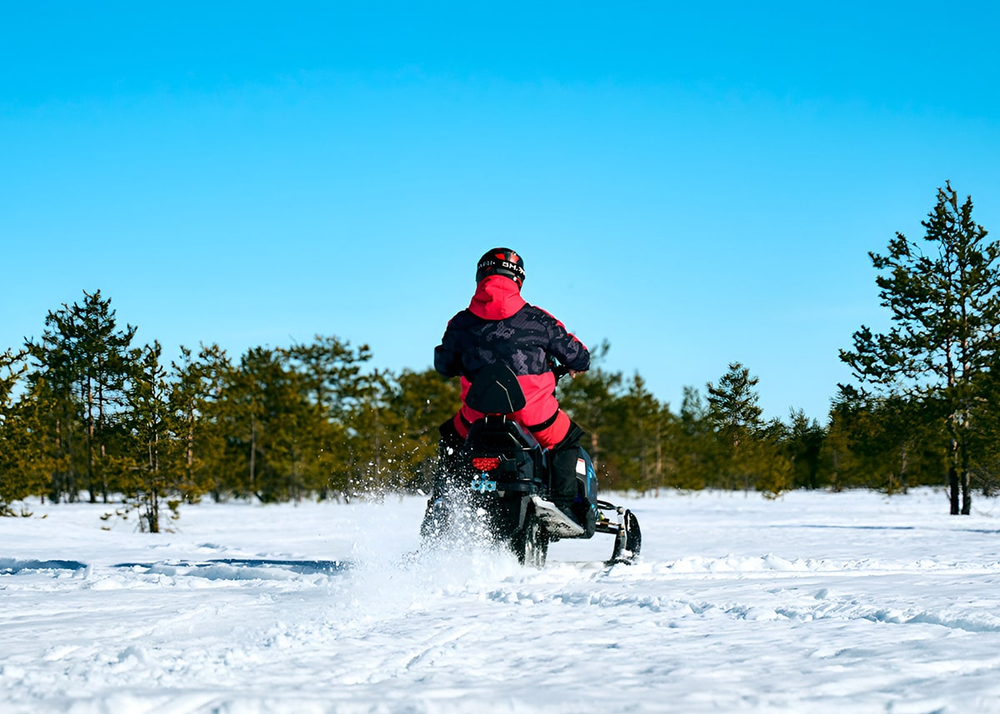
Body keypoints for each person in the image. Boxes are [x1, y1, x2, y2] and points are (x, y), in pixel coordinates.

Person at [426, 247, 591, 527]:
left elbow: (443, 365)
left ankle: (444, 501)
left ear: (481, 276)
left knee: (452, 440)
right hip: (533, 415)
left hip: (478, 417)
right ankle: (563, 506)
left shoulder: (461, 323)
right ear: (519, 279)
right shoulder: (538, 319)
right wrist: (572, 365)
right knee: (566, 440)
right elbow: (579, 355)